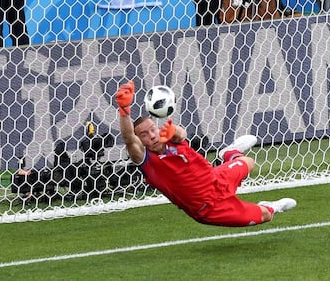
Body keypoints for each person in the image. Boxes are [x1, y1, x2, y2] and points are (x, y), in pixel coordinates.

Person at [114, 81, 297, 227]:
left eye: (152, 129)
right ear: (140, 140)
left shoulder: (169, 137)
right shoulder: (147, 161)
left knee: (249, 162)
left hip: (217, 179)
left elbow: (181, 134)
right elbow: (129, 138)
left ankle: (230, 153)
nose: (152, 136)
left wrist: (173, 131)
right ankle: (272, 206)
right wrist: (124, 111)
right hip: (211, 208)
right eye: (144, 135)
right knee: (265, 216)